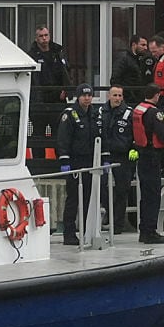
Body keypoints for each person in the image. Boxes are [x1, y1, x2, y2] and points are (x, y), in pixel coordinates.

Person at [133, 83, 164, 244]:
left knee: (144, 196)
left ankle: (144, 230)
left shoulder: (138, 109)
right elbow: (163, 135)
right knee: (153, 196)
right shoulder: (155, 113)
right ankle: (150, 232)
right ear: (156, 96)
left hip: (141, 155)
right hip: (153, 156)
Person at [56, 83, 105, 245]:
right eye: (84, 95)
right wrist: (64, 159)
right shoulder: (70, 114)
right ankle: (69, 234)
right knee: (73, 198)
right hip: (75, 161)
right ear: (78, 96)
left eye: (89, 95)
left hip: (90, 161)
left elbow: (100, 137)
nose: (87, 98)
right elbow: (63, 139)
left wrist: (104, 158)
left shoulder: (95, 114)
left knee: (89, 198)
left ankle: (86, 231)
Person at [98, 85, 137, 234]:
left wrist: (134, 149)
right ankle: (109, 212)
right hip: (104, 155)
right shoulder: (101, 112)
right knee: (101, 186)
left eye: (120, 96)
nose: (118, 99)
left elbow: (136, 133)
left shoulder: (129, 113)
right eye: (115, 95)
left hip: (123, 156)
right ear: (109, 96)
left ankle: (118, 225)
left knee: (122, 190)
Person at [27, 25, 71, 137]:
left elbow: (66, 72)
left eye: (46, 35)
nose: (44, 38)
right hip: (39, 100)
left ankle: (60, 155)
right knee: (38, 133)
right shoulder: (31, 56)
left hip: (57, 99)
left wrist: (66, 90)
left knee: (59, 134)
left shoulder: (58, 52)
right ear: (36, 38)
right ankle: (38, 156)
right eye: (41, 36)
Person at [110, 35, 153, 106]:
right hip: (128, 100)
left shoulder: (142, 59)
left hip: (139, 99)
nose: (145, 48)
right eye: (143, 45)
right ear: (134, 45)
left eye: (146, 45)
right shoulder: (123, 59)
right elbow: (115, 79)